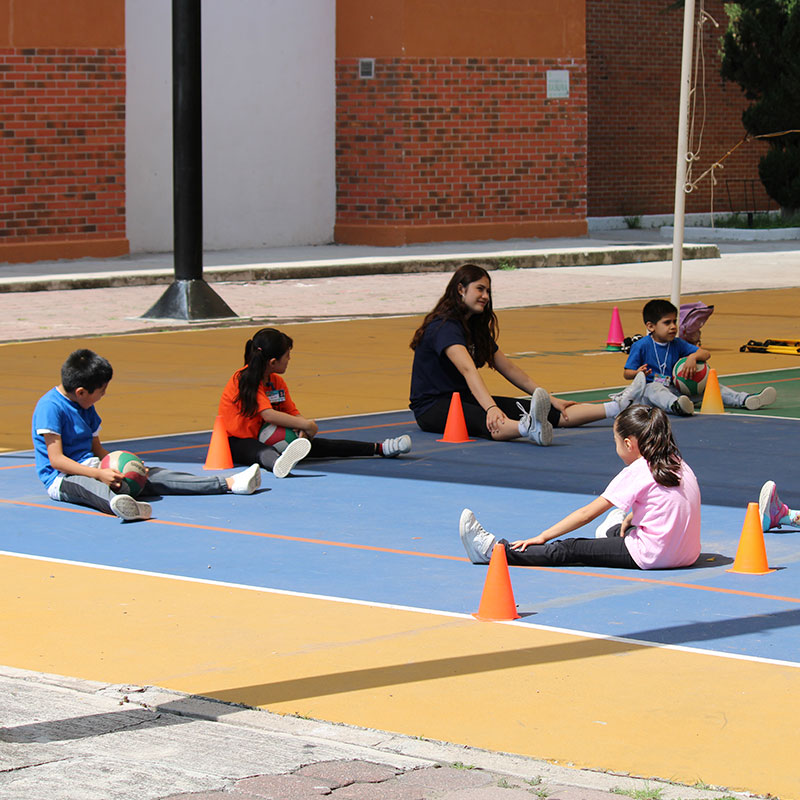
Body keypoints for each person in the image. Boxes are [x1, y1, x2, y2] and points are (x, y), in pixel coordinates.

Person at [409, 264, 646, 445]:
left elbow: (510, 369)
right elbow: (468, 369)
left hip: (464, 398)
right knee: (490, 419)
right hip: (433, 407)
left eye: (488, 291)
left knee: (552, 412)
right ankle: (528, 429)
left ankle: (617, 407)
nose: (486, 296)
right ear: (460, 289)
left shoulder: (474, 329)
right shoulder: (444, 327)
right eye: (480, 289)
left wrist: (550, 399)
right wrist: (491, 408)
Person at [459, 404, 701, 570]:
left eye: (616, 441)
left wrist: (543, 536)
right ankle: (612, 529)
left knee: (570, 548)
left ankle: (493, 551)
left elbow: (586, 514)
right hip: (687, 554)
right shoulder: (678, 463)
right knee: (621, 528)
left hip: (652, 555)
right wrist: (631, 518)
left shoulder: (638, 470)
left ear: (628, 444)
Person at [32, 349, 262, 522]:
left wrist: (126, 463)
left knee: (153, 475)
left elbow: (98, 449)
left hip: (95, 467)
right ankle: (121, 505)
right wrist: (98, 474)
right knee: (90, 487)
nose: (103, 395)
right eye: (101, 391)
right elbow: (56, 460)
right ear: (81, 392)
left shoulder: (86, 406)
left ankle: (230, 483)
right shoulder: (50, 407)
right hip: (63, 478)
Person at [218, 327, 412, 477]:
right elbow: (268, 414)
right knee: (259, 451)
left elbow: (291, 412)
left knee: (320, 445)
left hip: (270, 435)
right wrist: (307, 424)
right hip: (238, 441)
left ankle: (380, 448)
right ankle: (278, 464)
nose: (289, 359)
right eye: (287, 356)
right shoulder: (243, 379)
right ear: (273, 362)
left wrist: (303, 430)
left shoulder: (277, 382)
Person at [623, 298, 776, 416]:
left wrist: (693, 357)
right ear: (651, 326)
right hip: (649, 393)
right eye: (667, 323)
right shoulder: (641, 345)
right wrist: (638, 373)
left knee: (708, 387)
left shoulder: (677, 343)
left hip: (676, 388)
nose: (673, 326)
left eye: (675, 321)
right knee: (655, 389)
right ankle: (676, 406)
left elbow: (706, 353)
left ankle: (745, 400)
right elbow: (627, 373)